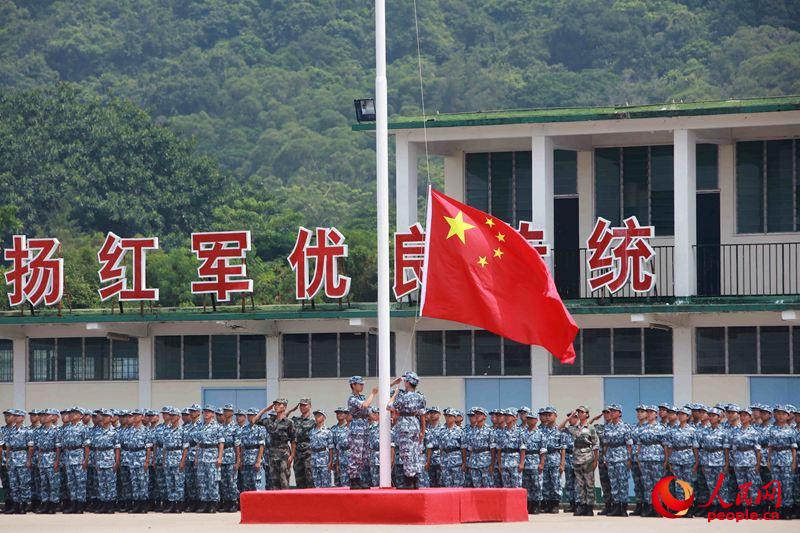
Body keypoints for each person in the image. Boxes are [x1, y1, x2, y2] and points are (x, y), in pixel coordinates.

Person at [386, 372, 426, 489]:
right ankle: (415, 480)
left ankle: (408, 481)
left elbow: (388, 406)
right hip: (415, 423)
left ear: (408, 382)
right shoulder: (420, 397)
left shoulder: (404, 397)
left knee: (406, 453)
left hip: (405, 425)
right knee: (415, 453)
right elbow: (422, 414)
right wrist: (423, 430)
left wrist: (395, 394)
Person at [665, 406, 698, 517]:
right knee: (678, 483)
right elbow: (669, 446)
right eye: (679, 414)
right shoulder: (673, 430)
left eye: (683, 414)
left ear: (688, 416)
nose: (680, 416)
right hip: (676, 458)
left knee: (688, 484)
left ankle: (689, 507)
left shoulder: (693, 430)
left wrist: (697, 461)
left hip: (688, 458)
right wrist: (669, 460)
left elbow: (695, 447)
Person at [255, 399, 296, 490]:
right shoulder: (270, 421)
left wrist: (292, 455)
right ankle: (276, 503)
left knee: (284, 480)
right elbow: (254, 420)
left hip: (284, 454)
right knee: (274, 482)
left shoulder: (289, 422)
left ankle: (285, 503)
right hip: (272, 455)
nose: (276, 406)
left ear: (284, 407)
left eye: (279, 404)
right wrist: (265, 410)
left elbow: (293, 440)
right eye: (275, 405)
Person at [347, 376, 380, 489]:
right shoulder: (352, 399)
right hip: (356, 430)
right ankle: (353, 479)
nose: (362, 386)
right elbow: (365, 405)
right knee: (355, 455)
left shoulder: (363, 397)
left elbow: (372, 415)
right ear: (353, 385)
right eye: (360, 384)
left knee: (362, 456)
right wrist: (373, 393)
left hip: (365, 429)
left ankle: (358, 478)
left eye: (362, 384)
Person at [567, 406, 599, 517]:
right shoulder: (574, 428)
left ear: (586, 414)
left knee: (589, 484)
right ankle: (582, 505)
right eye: (578, 412)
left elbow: (595, 444)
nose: (580, 414)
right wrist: (569, 417)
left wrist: (595, 460)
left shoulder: (590, 428)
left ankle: (590, 507)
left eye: (582, 412)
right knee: (580, 484)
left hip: (588, 459)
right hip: (576, 459)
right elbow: (560, 428)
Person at [57, 407, 90, 514]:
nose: (71, 415)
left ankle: (80, 505)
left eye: (75, 413)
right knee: (71, 483)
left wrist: (85, 460)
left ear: (81, 416)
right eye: (71, 413)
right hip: (68, 457)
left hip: (79, 457)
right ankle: (73, 504)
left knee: (80, 482)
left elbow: (86, 446)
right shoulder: (66, 428)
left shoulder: (84, 428)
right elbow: (63, 445)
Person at [637, 405, 668, 517]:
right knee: (647, 484)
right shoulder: (642, 428)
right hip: (644, 458)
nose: (649, 414)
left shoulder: (661, 428)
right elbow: (639, 444)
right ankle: (649, 506)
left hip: (657, 458)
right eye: (648, 412)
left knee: (657, 483)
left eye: (651, 412)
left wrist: (666, 460)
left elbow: (665, 445)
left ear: (656, 414)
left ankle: (658, 507)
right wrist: (639, 458)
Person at [602, 404, 632, 517]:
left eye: (615, 411)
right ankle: (616, 506)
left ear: (620, 413)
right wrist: (605, 458)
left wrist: (629, 459)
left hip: (622, 457)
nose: (612, 413)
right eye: (611, 411)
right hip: (611, 456)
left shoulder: (625, 427)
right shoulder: (608, 427)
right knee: (613, 483)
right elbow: (605, 444)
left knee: (622, 482)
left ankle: (623, 507)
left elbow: (629, 445)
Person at [698, 407, 730, 513]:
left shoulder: (724, 432)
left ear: (719, 418)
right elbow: (702, 448)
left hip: (719, 460)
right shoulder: (704, 431)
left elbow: (726, 448)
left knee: (721, 485)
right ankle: (714, 505)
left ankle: (722, 507)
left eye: (713, 416)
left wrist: (726, 463)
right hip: (707, 460)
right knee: (711, 485)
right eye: (710, 416)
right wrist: (702, 462)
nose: (711, 418)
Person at [729, 407, 761, 513]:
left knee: (752, 485)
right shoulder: (735, 431)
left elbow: (758, 449)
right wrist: (734, 461)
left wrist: (758, 464)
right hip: (738, 460)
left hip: (751, 460)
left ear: (750, 417)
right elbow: (733, 448)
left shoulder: (754, 431)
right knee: (742, 485)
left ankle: (754, 507)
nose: (742, 417)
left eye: (745, 415)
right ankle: (744, 506)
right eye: (741, 415)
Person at [767, 405, 796, 520]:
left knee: (787, 485)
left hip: (787, 458)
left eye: (783, 414)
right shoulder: (772, 430)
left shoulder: (791, 430)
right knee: (776, 485)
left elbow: (793, 448)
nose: (780, 416)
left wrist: (794, 462)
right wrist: (769, 460)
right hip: (775, 459)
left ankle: (787, 509)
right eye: (778, 413)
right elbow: (770, 447)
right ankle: (777, 509)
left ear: (788, 416)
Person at [122, 409, 152, 513]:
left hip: (141, 458)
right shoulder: (129, 431)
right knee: (134, 483)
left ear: (142, 417)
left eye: (137, 415)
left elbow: (148, 448)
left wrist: (147, 461)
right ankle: (136, 505)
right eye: (133, 415)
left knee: (143, 482)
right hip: (132, 458)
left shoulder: (146, 431)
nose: (135, 417)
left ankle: (143, 506)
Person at [91, 409, 120, 514]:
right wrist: (96, 462)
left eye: (107, 416)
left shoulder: (114, 432)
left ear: (111, 418)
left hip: (110, 460)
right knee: (102, 484)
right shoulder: (98, 432)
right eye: (103, 416)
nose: (104, 417)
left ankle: (111, 505)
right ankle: (104, 505)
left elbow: (117, 448)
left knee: (111, 484)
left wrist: (116, 462)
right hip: (100, 460)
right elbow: (96, 448)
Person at [195, 406, 224, 513]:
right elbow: (198, 444)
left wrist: (220, 457)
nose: (206, 413)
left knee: (213, 481)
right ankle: (204, 502)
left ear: (213, 414)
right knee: (202, 481)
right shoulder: (200, 426)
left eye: (209, 412)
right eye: (205, 412)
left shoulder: (217, 427)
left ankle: (213, 503)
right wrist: (197, 457)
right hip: (202, 456)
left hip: (212, 456)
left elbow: (221, 443)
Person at [5, 409, 33, 513]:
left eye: (18, 416)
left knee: (24, 483)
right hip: (12, 458)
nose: (15, 417)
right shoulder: (10, 431)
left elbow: (30, 448)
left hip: (22, 457)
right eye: (14, 416)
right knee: (13, 484)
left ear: (22, 418)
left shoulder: (27, 431)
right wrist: (7, 460)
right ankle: (15, 505)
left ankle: (24, 505)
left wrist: (29, 460)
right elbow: (8, 447)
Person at [161, 407, 188, 513]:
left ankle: (179, 505)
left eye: (173, 415)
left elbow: (185, 448)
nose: (171, 417)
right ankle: (172, 504)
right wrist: (163, 460)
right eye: (170, 415)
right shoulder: (166, 431)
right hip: (168, 459)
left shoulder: (183, 431)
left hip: (178, 459)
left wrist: (182, 461)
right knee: (170, 483)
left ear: (178, 417)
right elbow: (164, 447)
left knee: (179, 483)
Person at [34, 408, 60, 514]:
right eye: (43, 415)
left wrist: (56, 461)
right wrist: (39, 460)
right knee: (44, 483)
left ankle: (53, 505)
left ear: (52, 417)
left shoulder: (56, 430)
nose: (44, 417)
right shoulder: (40, 430)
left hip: (52, 456)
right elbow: (39, 448)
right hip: (43, 458)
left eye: (46, 415)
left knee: (53, 483)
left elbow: (58, 448)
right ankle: (45, 503)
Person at [538, 406, 564, 513]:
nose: (548, 417)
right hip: (544, 459)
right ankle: (547, 504)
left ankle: (555, 504)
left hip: (555, 458)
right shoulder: (540, 430)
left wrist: (562, 463)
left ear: (555, 416)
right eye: (546, 415)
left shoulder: (560, 431)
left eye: (550, 415)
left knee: (555, 482)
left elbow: (563, 448)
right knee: (545, 482)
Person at [218, 405, 240, 512]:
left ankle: (233, 502)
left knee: (232, 482)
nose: (225, 413)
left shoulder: (235, 428)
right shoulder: (220, 427)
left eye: (228, 411)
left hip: (231, 456)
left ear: (232, 413)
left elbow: (237, 445)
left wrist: (238, 460)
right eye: (224, 411)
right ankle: (226, 502)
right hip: (222, 458)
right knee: (223, 481)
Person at [464, 407, 493, 488]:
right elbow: (469, 448)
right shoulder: (471, 431)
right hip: (473, 462)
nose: (476, 415)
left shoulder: (489, 430)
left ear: (484, 417)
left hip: (485, 462)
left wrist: (492, 464)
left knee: (487, 487)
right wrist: (468, 462)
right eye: (476, 414)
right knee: (476, 487)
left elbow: (493, 449)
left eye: (479, 414)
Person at [521, 411, 543, 514]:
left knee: (536, 484)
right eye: (528, 418)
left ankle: (536, 504)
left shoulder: (540, 433)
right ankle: (528, 503)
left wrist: (541, 463)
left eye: (531, 418)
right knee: (526, 484)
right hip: (526, 461)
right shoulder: (523, 432)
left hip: (535, 460)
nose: (529, 420)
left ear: (536, 420)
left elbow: (543, 450)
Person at [498, 409, 525, 489]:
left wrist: (521, 463)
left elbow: (522, 449)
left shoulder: (519, 431)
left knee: (516, 486)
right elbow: (499, 449)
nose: (506, 417)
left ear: (514, 418)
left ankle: (517, 502)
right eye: (505, 416)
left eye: (509, 416)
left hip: (515, 462)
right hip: (504, 461)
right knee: (506, 487)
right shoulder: (501, 432)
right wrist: (499, 463)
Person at [438, 408, 464, 488]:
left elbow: (463, 448)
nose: (447, 418)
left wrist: (464, 462)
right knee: (447, 485)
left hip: (456, 460)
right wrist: (441, 459)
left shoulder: (460, 431)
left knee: (457, 485)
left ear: (455, 418)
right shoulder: (441, 430)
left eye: (450, 416)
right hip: (445, 460)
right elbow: (441, 447)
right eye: (446, 416)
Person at [309, 410, 334, 488]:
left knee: (326, 484)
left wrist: (330, 461)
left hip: (324, 460)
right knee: (316, 484)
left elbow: (331, 448)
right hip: (314, 459)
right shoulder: (311, 431)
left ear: (324, 417)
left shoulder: (328, 431)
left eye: (319, 416)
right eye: (316, 416)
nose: (316, 417)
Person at [629, 405, 646, 515]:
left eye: (642, 411)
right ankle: (639, 505)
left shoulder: (649, 427)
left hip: (645, 457)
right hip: (634, 458)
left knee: (646, 483)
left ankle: (647, 505)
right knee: (637, 482)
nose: (639, 413)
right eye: (638, 411)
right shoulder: (633, 427)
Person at [331, 407, 350, 487]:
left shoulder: (349, 427)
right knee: (337, 481)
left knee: (346, 481)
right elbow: (331, 446)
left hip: (347, 458)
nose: (339, 415)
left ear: (345, 415)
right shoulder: (333, 429)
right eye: (338, 413)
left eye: (341, 413)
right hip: (336, 459)